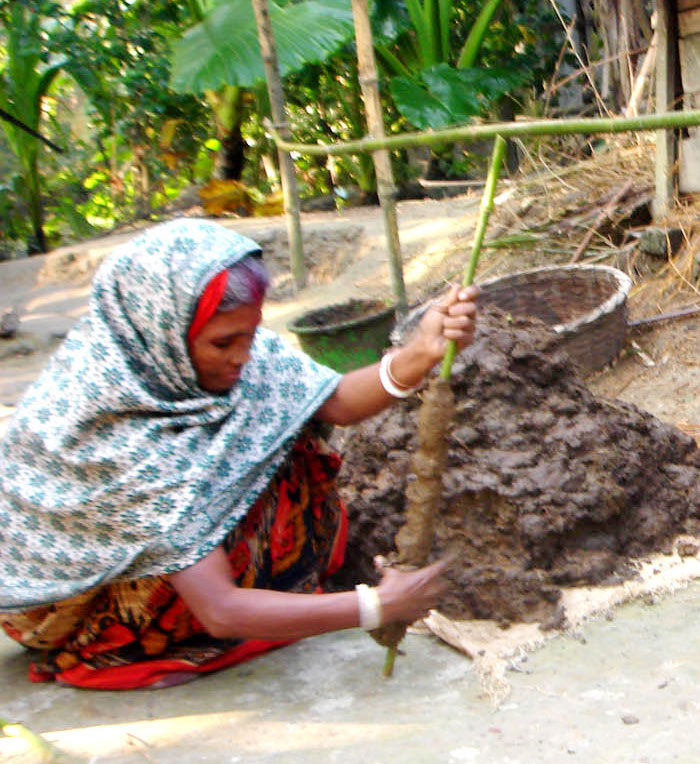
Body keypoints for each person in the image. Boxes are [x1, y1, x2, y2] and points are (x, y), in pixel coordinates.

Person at [0, 219, 477, 689]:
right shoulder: (120, 430)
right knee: (216, 533)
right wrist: (377, 607)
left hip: (191, 560)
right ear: (163, 331)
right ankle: (143, 640)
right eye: (223, 343)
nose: (244, 356)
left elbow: (336, 402)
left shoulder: (214, 354)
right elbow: (220, 610)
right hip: (75, 601)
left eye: (250, 334)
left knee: (292, 441)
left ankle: (277, 599)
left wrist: (421, 352)